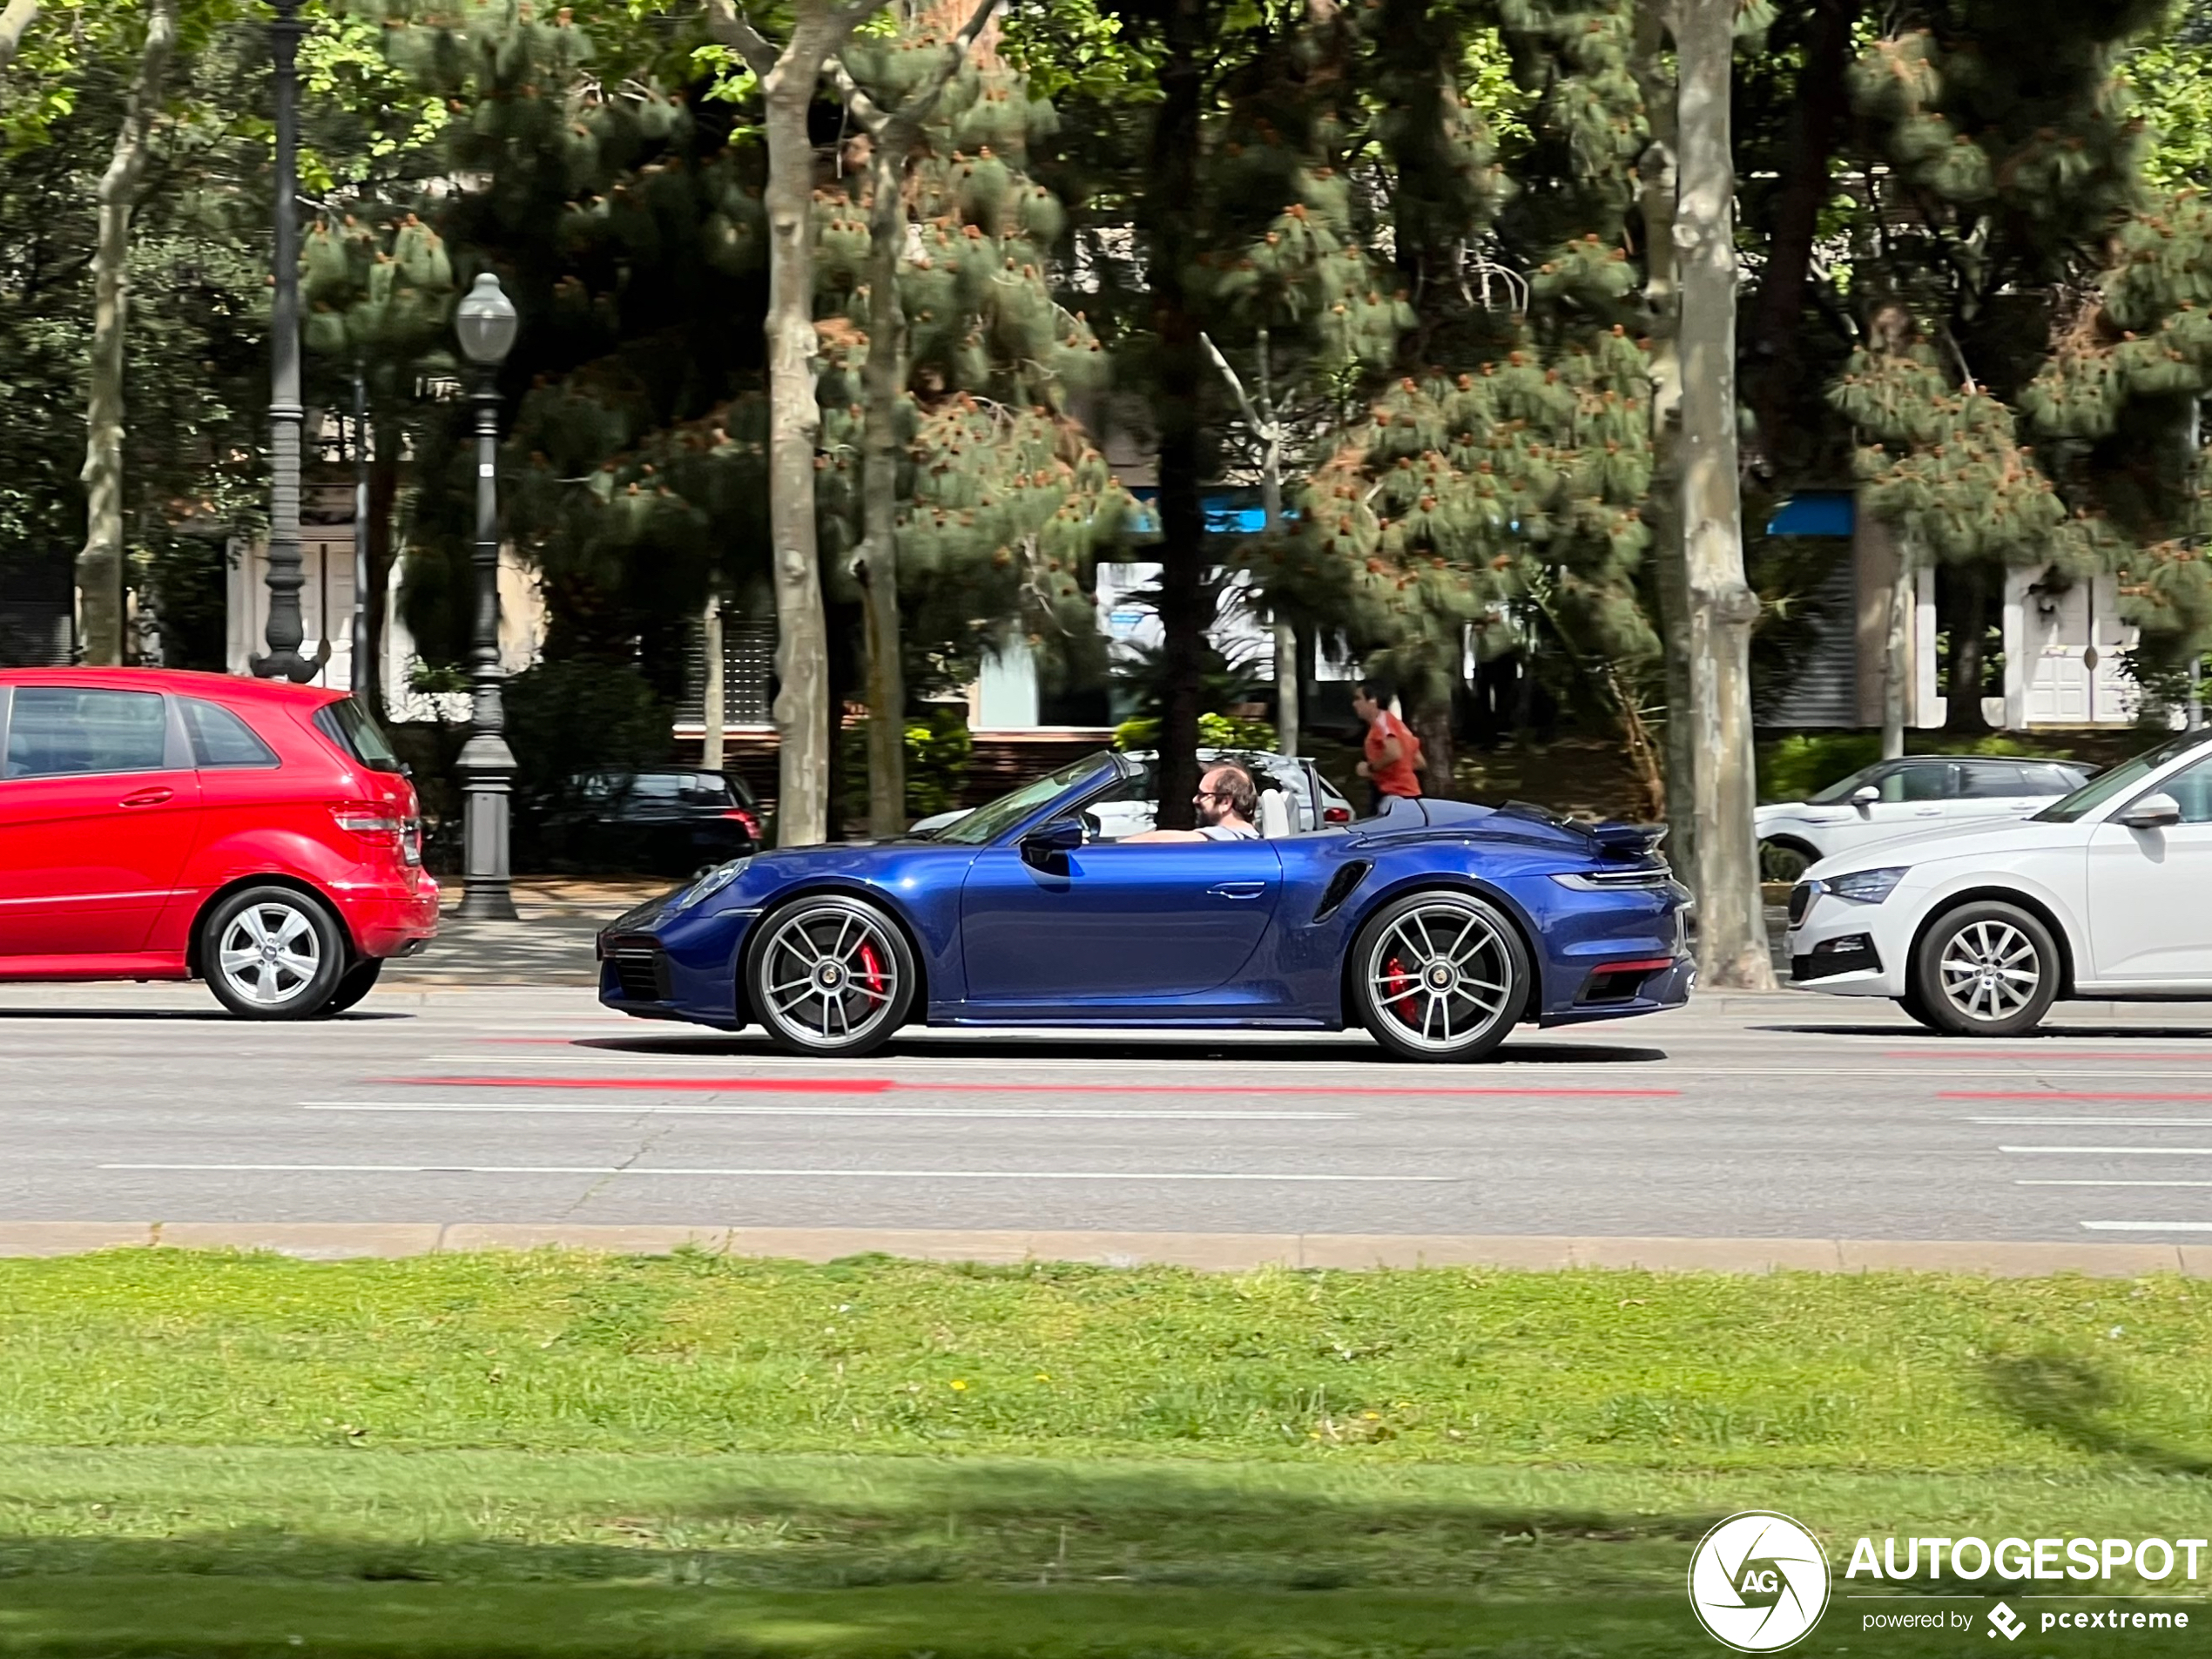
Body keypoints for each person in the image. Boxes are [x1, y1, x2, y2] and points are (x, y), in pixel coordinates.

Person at [1123, 762, 1261, 842]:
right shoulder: (1252, 837)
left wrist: (1119, 847)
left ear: (1225, 802)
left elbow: (1166, 840)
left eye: (1203, 795)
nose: (1195, 800)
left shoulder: (1229, 837)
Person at [1352, 678, 1424, 812]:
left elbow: (1394, 753)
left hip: (1393, 797)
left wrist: (1370, 768)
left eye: (1358, 699)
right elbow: (1419, 762)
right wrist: (1391, 772)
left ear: (1373, 700)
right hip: (1411, 795)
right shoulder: (1400, 726)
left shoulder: (1383, 723)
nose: (1354, 704)